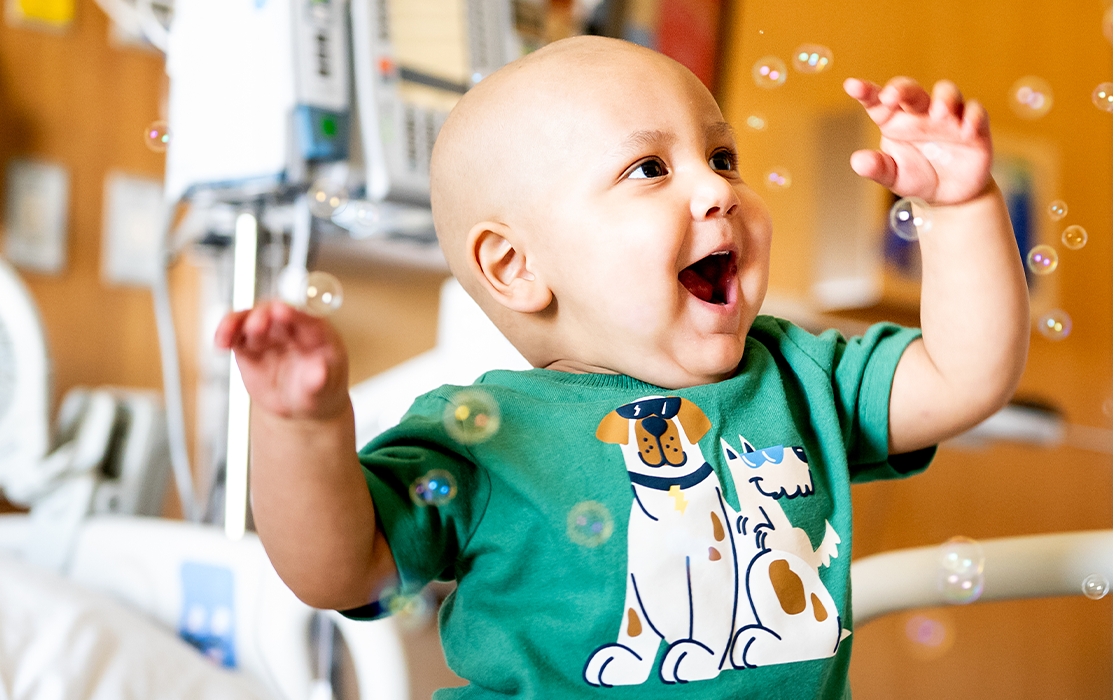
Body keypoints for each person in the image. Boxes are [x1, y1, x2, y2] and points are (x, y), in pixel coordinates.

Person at [215, 36, 1027, 699]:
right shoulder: (488, 437)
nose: (717, 188)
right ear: (515, 268)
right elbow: (336, 570)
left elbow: (964, 375)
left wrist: (960, 208)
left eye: (722, 155)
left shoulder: (798, 374)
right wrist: (305, 425)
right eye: (650, 170)